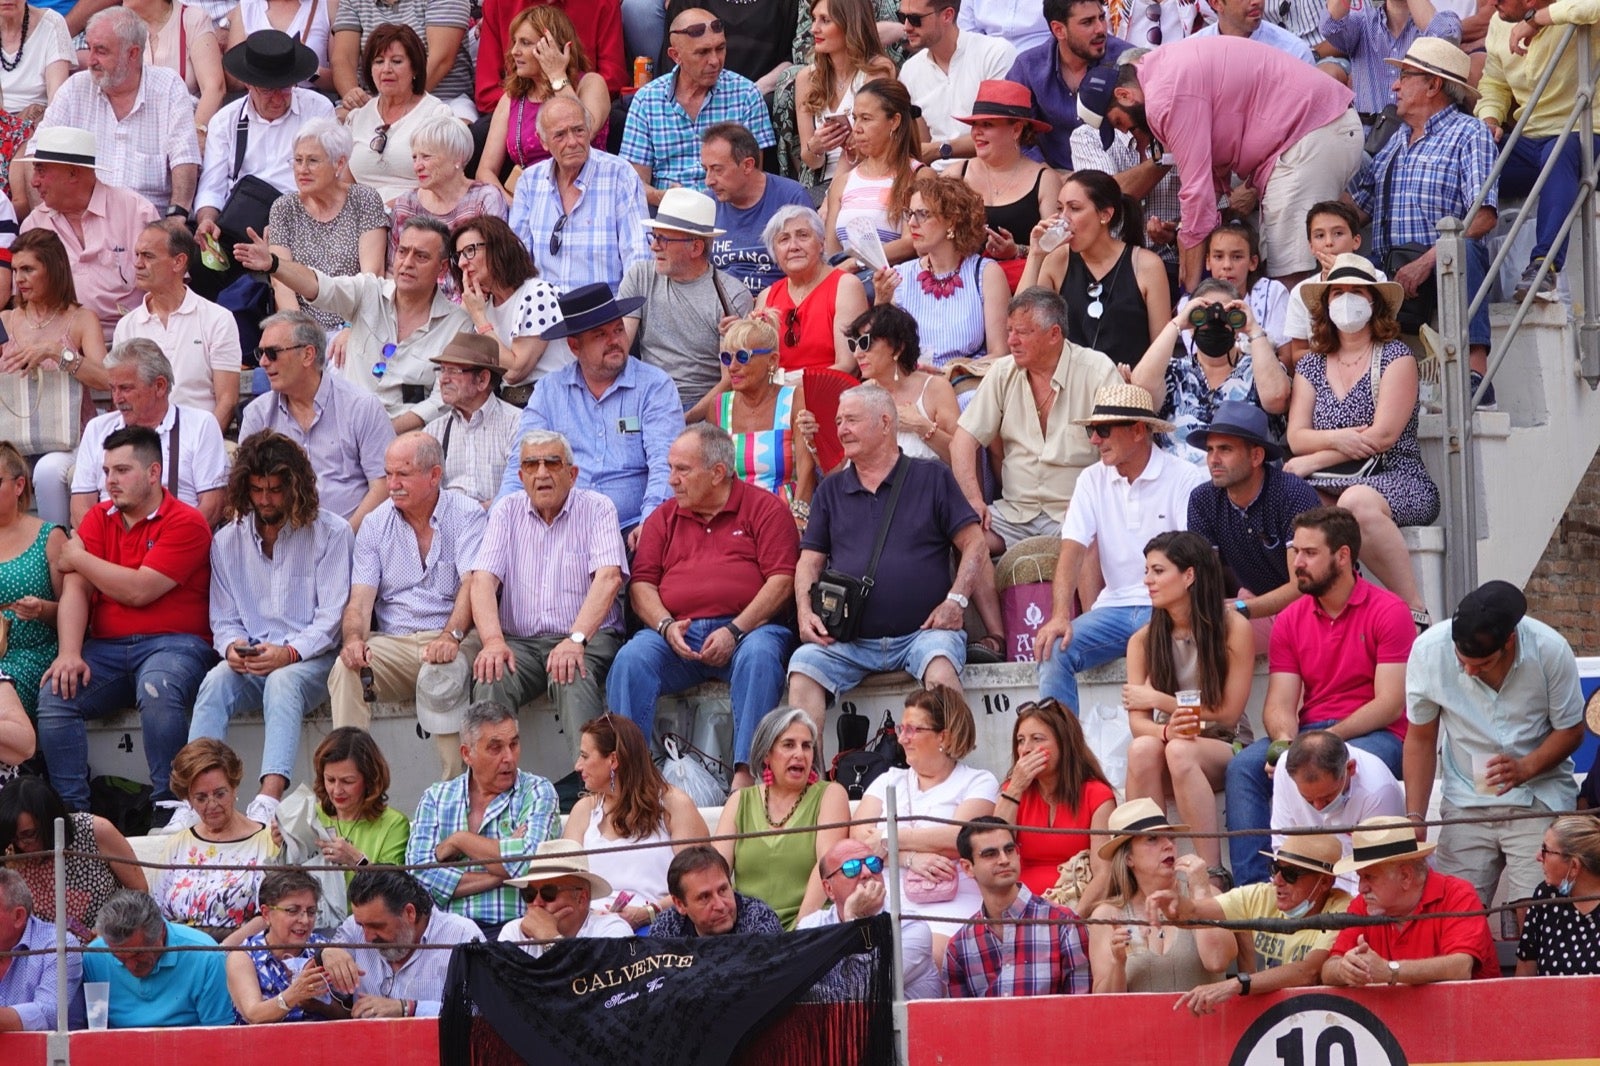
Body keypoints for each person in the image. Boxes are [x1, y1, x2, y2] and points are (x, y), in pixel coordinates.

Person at [1224, 506, 1415, 886]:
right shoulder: (1292, 618)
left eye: (1310, 553)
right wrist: (1285, 743)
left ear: (1343, 556)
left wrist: (1326, 741)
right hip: (1311, 731)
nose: (1298, 563)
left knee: (1356, 764)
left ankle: (1360, 884)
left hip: (1378, 735)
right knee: (1244, 767)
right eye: (1296, 552)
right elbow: (1279, 704)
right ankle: (1259, 891)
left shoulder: (1389, 611)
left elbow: (1389, 703)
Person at [1078, 36, 1362, 290]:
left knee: (1287, 268)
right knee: (1277, 259)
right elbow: (1211, 184)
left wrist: (1190, 293)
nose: (1126, 131)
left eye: (1119, 122)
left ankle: (1295, 348)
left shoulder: (1165, 96)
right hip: (1311, 134)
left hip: (1311, 132)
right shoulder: (1160, 73)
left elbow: (1198, 195)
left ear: (1125, 95)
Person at [36, 425, 216, 815]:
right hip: (107, 649)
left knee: (158, 687)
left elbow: (139, 590)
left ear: (154, 473)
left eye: (121, 471)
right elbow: (77, 591)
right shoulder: (100, 518)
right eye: (105, 472)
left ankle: (169, 810)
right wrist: (69, 652)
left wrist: (79, 556)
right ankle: (74, 818)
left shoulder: (186, 522)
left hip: (175, 644)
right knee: (54, 692)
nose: (110, 482)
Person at [789, 385, 988, 735]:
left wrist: (956, 601)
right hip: (849, 641)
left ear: (885, 423)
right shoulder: (830, 490)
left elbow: (974, 545)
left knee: (941, 669)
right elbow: (809, 562)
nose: (841, 430)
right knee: (803, 666)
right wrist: (805, 613)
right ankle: (811, 786)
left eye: (851, 420)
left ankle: (954, 775)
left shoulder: (932, 477)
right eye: (838, 422)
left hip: (923, 634)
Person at [607, 424, 799, 782]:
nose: (672, 480)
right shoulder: (664, 517)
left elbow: (782, 582)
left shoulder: (765, 509)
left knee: (760, 655)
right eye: (671, 469)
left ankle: (747, 774)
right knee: (632, 659)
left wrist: (734, 629)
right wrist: (665, 626)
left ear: (717, 473)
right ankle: (629, 778)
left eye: (683, 470)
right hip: (677, 634)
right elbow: (642, 586)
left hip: (748, 631)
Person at [186, 431, 353, 824]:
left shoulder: (332, 532)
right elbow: (223, 619)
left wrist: (289, 653)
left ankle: (268, 798)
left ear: (295, 487)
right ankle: (193, 795)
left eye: (275, 490)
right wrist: (232, 648)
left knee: (283, 681)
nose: (265, 500)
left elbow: (331, 620)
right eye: (257, 489)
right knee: (215, 680)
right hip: (255, 658)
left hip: (313, 660)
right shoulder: (226, 541)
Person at [1404, 580, 1584, 909]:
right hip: (1465, 802)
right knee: (1450, 915)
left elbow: (1572, 730)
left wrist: (1526, 767)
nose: (1470, 671)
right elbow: (1420, 738)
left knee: (1535, 914)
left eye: (1482, 663)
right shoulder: (1429, 650)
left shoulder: (1549, 649)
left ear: (1510, 641)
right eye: (1462, 661)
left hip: (1537, 798)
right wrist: (1415, 815)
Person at [1034, 384, 1208, 711]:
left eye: (1102, 429)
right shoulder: (1090, 479)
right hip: (1112, 608)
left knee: (1162, 648)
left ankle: (1173, 747)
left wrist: (1175, 612)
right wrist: (1060, 615)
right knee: (1054, 647)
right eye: (1091, 429)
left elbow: (1194, 557)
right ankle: (1065, 753)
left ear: (1138, 430)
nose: (1094, 440)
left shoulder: (1184, 476)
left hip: (1166, 607)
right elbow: (1071, 550)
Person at [1285, 253, 1438, 622]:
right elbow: (1296, 437)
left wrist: (1316, 457)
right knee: (1295, 503)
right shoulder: (1310, 364)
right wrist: (1337, 441)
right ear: (1326, 304)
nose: (1347, 300)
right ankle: (1314, 611)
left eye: (1357, 292)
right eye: (1338, 292)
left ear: (1374, 302)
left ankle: (1413, 611)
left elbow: (1383, 436)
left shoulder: (1395, 357)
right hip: (1331, 480)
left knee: (1355, 500)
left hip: (1397, 475)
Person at [329, 432, 485, 781]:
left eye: (403, 474)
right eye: (388, 475)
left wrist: (451, 636)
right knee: (346, 668)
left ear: (434, 475)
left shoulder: (467, 514)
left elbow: (473, 586)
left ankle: (453, 793)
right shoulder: (375, 523)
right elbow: (360, 600)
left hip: (454, 636)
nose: (393, 484)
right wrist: (354, 640)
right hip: (395, 642)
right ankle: (353, 784)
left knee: (442, 672)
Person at [470, 430, 626, 762]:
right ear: (521, 476)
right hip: (521, 643)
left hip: (588, 637)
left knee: (569, 670)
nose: (541, 473)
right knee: (491, 672)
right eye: (531, 464)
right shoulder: (506, 511)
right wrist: (493, 641)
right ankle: (494, 786)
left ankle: (594, 787)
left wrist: (576, 639)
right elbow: (482, 580)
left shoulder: (597, 509)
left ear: (572, 474)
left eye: (552, 463)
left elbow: (609, 578)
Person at [1348, 39, 1496, 389]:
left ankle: (1476, 372)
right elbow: (1358, 209)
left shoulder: (1468, 133)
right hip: (1388, 267)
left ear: (1433, 85)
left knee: (1467, 250)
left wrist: (1427, 261)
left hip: (1437, 264)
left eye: (1404, 76)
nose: (1395, 85)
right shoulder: (1394, 139)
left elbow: (1484, 217)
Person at [234, 216, 470, 431]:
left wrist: (384, 430)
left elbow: (442, 399)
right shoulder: (369, 290)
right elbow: (318, 287)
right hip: (341, 430)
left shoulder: (457, 325)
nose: (407, 262)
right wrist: (274, 265)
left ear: (442, 268)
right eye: (403, 252)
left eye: (421, 256)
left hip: (405, 440)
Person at [494, 283, 685, 546]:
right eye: (600, 335)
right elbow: (522, 461)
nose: (615, 341)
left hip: (632, 530)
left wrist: (651, 521)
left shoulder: (655, 386)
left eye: (618, 330)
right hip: (563, 529)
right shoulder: (550, 391)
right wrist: (499, 521)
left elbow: (666, 463)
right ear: (574, 346)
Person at [1123, 531, 1256, 884]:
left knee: (1180, 751)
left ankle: (1211, 871)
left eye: (1158, 571)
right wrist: (1165, 729)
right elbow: (1139, 724)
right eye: (1147, 571)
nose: (1147, 580)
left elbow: (1227, 713)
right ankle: (1151, 870)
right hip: (1171, 742)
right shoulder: (1142, 641)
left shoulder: (1232, 628)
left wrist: (1161, 701)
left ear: (1189, 575)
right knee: (1142, 748)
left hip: (1225, 744)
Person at [952, 287, 1122, 554]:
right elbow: (962, 441)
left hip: (1073, 512)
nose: (1011, 341)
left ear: (1054, 334)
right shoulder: (1002, 372)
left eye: (1022, 332)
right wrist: (973, 499)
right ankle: (982, 600)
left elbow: (1121, 447)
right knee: (964, 533)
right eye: (1009, 331)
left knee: (1092, 533)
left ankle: (1088, 599)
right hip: (1013, 514)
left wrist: (1092, 501)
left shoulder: (1098, 370)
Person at [852, 687, 999, 951]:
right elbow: (860, 842)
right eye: (901, 728)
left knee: (918, 956)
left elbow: (960, 838)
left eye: (913, 730)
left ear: (944, 736)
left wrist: (888, 839)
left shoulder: (978, 781)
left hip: (950, 900)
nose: (902, 739)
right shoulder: (888, 779)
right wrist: (911, 858)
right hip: (884, 897)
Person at [1477, 0, 1600, 302]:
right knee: (1473, 159)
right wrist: (1490, 119)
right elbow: (1493, 83)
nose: (1490, 3)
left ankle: (1544, 267)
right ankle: (1461, 265)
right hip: (1527, 137)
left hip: (1583, 130)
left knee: (1558, 156)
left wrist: (1538, 20)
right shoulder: (1498, 21)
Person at [1148, 834, 1351, 1014]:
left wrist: (1236, 984)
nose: (1277, 881)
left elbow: (1309, 972)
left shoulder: (1342, 909)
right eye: (1275, 868)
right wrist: (1172, 904)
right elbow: (1193, 912)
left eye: (1291, 874)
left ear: (1325, 882)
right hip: (1267, 1018)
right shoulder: (1261, 895)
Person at [406, 702, 561, 936]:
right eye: (495, 748)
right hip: (447, 934)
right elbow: (419, 878)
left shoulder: (538, 791)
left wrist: (459, 841)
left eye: (514, 744)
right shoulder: (436, 798)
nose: (509, 757)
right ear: (467, 754)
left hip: (514, 930)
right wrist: (505, 872)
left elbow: (530, 864)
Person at [236, 310, 394, 528]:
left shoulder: (361, 407)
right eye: (260, 353)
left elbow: (384, 486)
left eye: (272, 353)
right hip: (280, 541)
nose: (263, 362)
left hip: (352, 544)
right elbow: (244, 487)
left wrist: (344, 539)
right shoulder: (257, 414)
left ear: (308, 355)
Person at [37, 7, 201, 214]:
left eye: (101, 51)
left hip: (148, 224)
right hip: (82, 218)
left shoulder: (168, 86)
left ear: (132, 54)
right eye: (89, 48)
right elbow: (38, 150)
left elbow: (184, 159)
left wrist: (177, 216)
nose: (91, 60)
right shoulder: (76, 87)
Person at [194, 29, 335, 253]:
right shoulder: (225, 120)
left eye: (286, 87)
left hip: (302, 225)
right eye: (268, 90)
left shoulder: (319, 110)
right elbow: (212, 187)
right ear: (249, 84)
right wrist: (207, 220)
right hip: (239, 230)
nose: (278, 98)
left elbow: (329, 180)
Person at [562, 715, 709, 928]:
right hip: (592, 927)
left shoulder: (674, 805)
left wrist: (648, 913)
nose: (577, 766)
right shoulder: (584, 811)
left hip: (659, 925)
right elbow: (566, 884)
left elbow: (700, 882)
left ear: (613, 760)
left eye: (585, 756)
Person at [621, 186, 754, 420]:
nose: (653, 246)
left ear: (696, 247)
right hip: (645, 401)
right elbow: (620, 348)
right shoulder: (640, 276)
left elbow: (730, 381)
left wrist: (683, 420)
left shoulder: (730, 296)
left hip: (702, 410)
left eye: (663, 239)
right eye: (653, 236)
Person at [66, 338, 229, 529]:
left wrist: (167, 546)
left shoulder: (200, 425)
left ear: (159, 386)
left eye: (125, 388)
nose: (117, 398)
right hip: (110, 545)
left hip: (176, 543)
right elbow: (80, 507)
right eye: (113, 388)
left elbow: (212, 506)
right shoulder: (97, 429)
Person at [1185, 400, 1322, 625]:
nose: (1213, 460)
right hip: (1255, 606)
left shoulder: (1292, 493)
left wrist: (1241, 608)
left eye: (1225, 449)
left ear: (1256, 456)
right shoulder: (1203, 499)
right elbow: (1203, 578)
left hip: (1314, 611)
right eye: (1210, 449)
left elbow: (1303, 585)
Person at [1130, 279, 1292, 467]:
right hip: (1180, 490)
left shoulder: (1259, 368)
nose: (1215, 322)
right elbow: (1140, 388)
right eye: (1203, 315)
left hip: (1245, 487)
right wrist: (1178, 323)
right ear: (1191, 324)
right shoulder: (1173, 371)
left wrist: (1253, 329)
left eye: (1227, 314)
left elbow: (1278, 398)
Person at [17, 127, 157, 344]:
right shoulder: (34, 224)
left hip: (133, 343)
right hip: (59, 346)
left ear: (73, 173)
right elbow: (25, 302)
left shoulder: (136, 211)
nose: (34, 182)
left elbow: (167, 286)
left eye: (41, 171)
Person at [714, 706, 850, 929]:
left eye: (807, 746)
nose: (800, 754)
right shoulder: (740, 801)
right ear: (767, 754)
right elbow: (715, 871)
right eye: (789, 745)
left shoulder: (831, 794)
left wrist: (798, 932)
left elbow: (827, 866)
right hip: (748, 931)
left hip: (810, 927)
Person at [621, 7, 775, 202]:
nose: (715, 61)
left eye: (720, 48)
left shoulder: (746, 94)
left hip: (728, 210)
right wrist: (664, 198)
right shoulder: (647, 100)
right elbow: (634, 182)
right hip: (668, 213)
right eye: (702, 52)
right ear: (675, 55)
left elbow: (754, 176)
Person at [3, 229, 110, 511]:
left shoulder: (81, 319)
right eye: (15, 270)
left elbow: (107, 380)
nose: (19, 279)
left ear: (52, 269)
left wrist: (56, 352)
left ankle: (57, 547)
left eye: (28, 269)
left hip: (69, 439)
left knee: (48, 469)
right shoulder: (5, 320)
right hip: (13, 438)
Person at [1321, 816, 1499, 984]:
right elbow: (1328, 969)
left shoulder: (1458, 894)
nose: (1361, 888)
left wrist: (1390, 971)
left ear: (1406, 876)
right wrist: (1344, 969)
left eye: (1369, 877)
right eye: (1360, 877)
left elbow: (1461, 968)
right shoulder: (1364, 904)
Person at [1020, 168, 1169, 368]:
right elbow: (1022, 323)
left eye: (1074, 208)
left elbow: (1162, 350)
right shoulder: (1058, 262)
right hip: (1070, 388)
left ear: (1105, 215)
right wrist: (1035, 255)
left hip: (1128, 389)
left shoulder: (1146, 265)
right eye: (1060, 209)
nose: (1063, 219)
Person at [1088, 799, 1237, 992]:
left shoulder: (1207, 896)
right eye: (1153, 839)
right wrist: (1118, 963)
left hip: (1204, 1022)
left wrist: (1200, 890)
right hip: (1142, 1022)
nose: (1168, 845)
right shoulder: (1106, 916)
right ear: (1128, 858)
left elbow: (1218, 961)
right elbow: (1103, 1006)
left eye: (1170, 837)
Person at [508, 95, 650, 293]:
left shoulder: (620, 175)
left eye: (578, 130)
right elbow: (517, 261)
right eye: (560, 135)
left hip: (605, 314)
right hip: (547, 315)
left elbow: (638, 259)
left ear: (589, 129)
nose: (572, 142)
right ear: (543, 141)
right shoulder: (529, 182)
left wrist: (627, 319)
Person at [261, 117, 389, 334]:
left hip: (356, 322)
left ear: (339, 164)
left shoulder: (364, 199)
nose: (302, 170)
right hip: (304, 328)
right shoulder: (284, 208)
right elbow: (282, 284)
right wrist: (304, 337)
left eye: (312, 161)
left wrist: (352, 328)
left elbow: (372, 276)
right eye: (298, 160)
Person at [111, 220, 242, 429]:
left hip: (199, 440)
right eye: (137, 255)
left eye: (148, 256)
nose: (137, 263)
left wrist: (203, 445)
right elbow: (123, 398)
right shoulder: (126, 326)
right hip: (143, 443)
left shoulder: (218, 319)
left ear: (179, 262)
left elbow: (227, 401)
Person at [474, 4, 613, 198]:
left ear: (553, 46)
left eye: (525, 42)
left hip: (587, 195)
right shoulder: (511, 97)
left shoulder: (590, 83)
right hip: (529, 200)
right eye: (514, 42)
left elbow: (583, 133)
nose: (514, 51)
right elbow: (485, 171)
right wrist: (515, 208)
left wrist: (557, 75)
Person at [945, 816, 1091, 997]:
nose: (1004, 860)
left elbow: (1080, 1010)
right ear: (967, 867)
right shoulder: (959, 946)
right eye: (990, 854)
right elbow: (960, 1021)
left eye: (1009, 849)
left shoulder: (1064, 924)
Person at [872, 172, 1008, 366]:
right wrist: (881, 303)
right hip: (914, 383)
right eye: (910, 214)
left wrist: (954, 371)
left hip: (965, 384)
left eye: (923, 214)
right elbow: (882, 355)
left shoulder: (986, 273)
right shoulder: (900, 276)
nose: (911, 223)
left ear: (952, 220)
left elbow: (1001, 354)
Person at [994, 697, 1116, 910]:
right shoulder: (1012, 792)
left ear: (1064, 743)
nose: (1026, 749)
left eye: (1037, 739)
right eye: (1021, 740)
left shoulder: (1096, 795)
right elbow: (993, 850)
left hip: (1075, 909)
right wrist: (1015, 789)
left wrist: (1070, 922)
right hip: (1019, 908)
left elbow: (1104, 875)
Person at [150, 739, 277, 933]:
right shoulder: (178, 845)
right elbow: (156, 912)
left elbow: (274, 913)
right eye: (201, 798)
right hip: (183, 950)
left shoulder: (268, 841)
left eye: (219, 794)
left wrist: (223, 950)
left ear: (234, 788)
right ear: (188, 800)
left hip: (242, 951)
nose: (211, 805)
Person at [0, 776, 147, 943]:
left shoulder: (94, 830)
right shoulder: (10, 852)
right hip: (44, 956)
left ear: (48, 821)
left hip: (107, 946)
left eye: (29, 834)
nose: (22, 844)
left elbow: (139, 890)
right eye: (14, 837)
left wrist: (110, 928)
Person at [799, 837, 944, 1000]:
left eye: (873, 863)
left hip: (904, 1025)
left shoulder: (910, 926)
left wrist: (855, 920)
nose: (867, 872)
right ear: (829, 888)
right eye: (851, 868)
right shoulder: (812, 927)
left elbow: (862, 990)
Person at [949, 80, 1062, 285]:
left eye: (987, 124)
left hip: (1022, 289)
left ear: (1016, 129)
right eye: (975, 124)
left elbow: (1058, 248)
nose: (977, 132)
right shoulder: (955, 174)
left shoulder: (1046, 180)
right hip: (962, 287)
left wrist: (1016, 250)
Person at [335, 869, 484, 1019]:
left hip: (436, 1042)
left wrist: (410, 1008)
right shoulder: (354, 929)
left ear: (409, 913)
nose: (367, 937)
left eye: (377, 926)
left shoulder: (462, 935)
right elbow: (325, 992)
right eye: (361, 925)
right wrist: (325, 954)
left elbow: (481, 1011)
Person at [386, 115, 507, 296]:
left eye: (426, 157)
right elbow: (392, 269)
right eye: (414, 157)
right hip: (415, 305)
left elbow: (493, 267)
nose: (417, 166)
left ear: (457, 158)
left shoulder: (484, 198)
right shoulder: (406, 203)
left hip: (469, 305)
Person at [1005, 0, 1131, 170]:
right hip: (1051, 178)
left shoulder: (1128, 61)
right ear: (1059, 30)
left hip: (1118, 179)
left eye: (1101, 17)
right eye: (1087, 22)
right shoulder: (1028, 67)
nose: (1101, 29)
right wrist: (1046, 175)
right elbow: (1014, 132)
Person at [448, 216, 569, 392]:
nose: (462, 263)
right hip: (508, 406)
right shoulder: (485, 306)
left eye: (470, 250)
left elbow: (514, 372)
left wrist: (479, 318)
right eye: (458, 255)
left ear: (499, 248)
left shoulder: (537, 293)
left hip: (550, 401)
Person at [1272, 731, 1404, 891]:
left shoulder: (1378, 791)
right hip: (1310, 890)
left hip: (1363, 892)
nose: (1319, 807)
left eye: (1328, 797)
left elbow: (1377, 875)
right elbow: (1284, 847)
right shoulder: (1285, 770)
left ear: (1350, 768)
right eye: (1308, 799)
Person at [339, 24, 455, 206]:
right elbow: (344, 185)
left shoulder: (436, 115)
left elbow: (442, 183)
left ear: (415, 68)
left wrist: (386, 209)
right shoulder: (357, 117)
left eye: (397, 61)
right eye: (378, 61)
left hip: (416, 216)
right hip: (362, 220)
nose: (386, 69)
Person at [82, 889, 233, 1028]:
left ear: (161, 932)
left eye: (138, 954)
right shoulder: (95, 956)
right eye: (119, 958)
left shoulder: (206, 956)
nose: (131, 966)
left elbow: (219, 1037)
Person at [714, 315, 817, 511]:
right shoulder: (718, 406)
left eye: (743, 357)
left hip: (784, 515)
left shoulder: (795, 399)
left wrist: (799, 518)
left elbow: (807, 471)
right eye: (727, 358)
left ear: (772, 360)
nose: (732, 367)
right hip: (734, 519)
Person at [898, 0, 1017, 170]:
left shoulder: (995, 54)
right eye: (902, 17)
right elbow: (922, 148)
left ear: (947, 15)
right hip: (937, 178)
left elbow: (1001, 133)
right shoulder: (910, 71)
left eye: (916, 19)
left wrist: (940, 150)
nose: (906, 27)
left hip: (991, 171)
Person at [754, 203, 868, 374]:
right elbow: (758, 366)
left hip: (829, 393)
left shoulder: (845, 286)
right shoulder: (766, 296)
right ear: (774, 252)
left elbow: (847, 366)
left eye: (803, 235)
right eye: (784, 239)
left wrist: (789, 384)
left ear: (821, 243)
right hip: (777, 396)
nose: (794, 246)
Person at [702, 121, 812, 297]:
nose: (709, 180)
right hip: (718, 306)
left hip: (776, 305)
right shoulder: (707, 204)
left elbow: (810, 268)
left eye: (717, 170)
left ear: (747, 165)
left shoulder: (790, 198)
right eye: (705, 170)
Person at [793, 0, 897, 183]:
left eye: (825, 20)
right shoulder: (806, 79)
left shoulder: (877, 71)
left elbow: (877, 146)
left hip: (865, 176)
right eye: (814, 19)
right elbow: (809, 159)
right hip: (819, 181)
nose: (814, 29)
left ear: (849, 24)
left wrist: (832, 196)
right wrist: (815, 147)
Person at [822, 78, 920, 268]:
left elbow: (912, 242)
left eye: (866, 119)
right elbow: (833, 254)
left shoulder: (918, 176)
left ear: (894, 121)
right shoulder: (843, 182)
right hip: (848, 285)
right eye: (855, 118)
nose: (856, 128)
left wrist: (856, 263)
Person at [846, 304, 961, 464]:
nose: (857, 353)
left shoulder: (936, 388)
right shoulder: (859, 396)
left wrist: (921, 426)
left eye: (866, 343)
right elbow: (842, 469)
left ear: (898, 348)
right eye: (853, 344)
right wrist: (815, 443)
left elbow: (963, 458)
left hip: (926, 486)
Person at [226, 870, 345, 1023]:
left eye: (311, 911)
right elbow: (254, 1014)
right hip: (262, 1044)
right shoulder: (244, 956)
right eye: (292, 911)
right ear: (266, 914)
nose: (304, 920)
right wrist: (295, 993)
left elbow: (348, 1014)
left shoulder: (324, 949)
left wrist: (318, 1006)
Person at [420, 333, 523, 506]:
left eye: (453, 371)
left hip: (502, 525)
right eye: (442, 370)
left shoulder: (516, 423)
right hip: (448, 529)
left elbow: (521, 492)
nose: (443, 379)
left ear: (482, 380)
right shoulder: (433, 432)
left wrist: (474, 515)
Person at [476, 0, 626, 118]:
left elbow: (612, 80)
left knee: (617, 120)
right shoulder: (497, 3)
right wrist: (529, 108)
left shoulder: (603, 3)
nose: (515, 51)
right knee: (480, 133)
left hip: (584, 105)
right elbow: (487, 93)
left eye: (525, 42)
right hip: (514, 113)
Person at [0, 442, 64, 716]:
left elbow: (77, 613)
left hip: (33, 654)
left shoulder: (49, 537)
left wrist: (40, 609)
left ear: (18, 485)